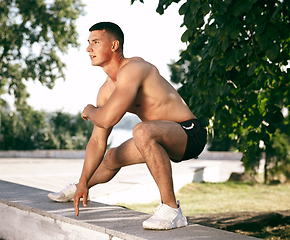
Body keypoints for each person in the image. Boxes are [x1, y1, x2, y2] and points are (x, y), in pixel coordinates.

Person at [48, 22, 207, 230]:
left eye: (95, 42)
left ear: (114, 46)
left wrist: (89, 110)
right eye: (88, 43)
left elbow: (106, 119)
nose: (88, 48)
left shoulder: (134, 69)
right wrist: (83, 181)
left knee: (142, 130)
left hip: (189, 133)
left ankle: (171, 209)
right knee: (112, 157)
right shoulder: (105, 90)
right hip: (159, 136)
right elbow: (97, 141)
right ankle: (79, 187)